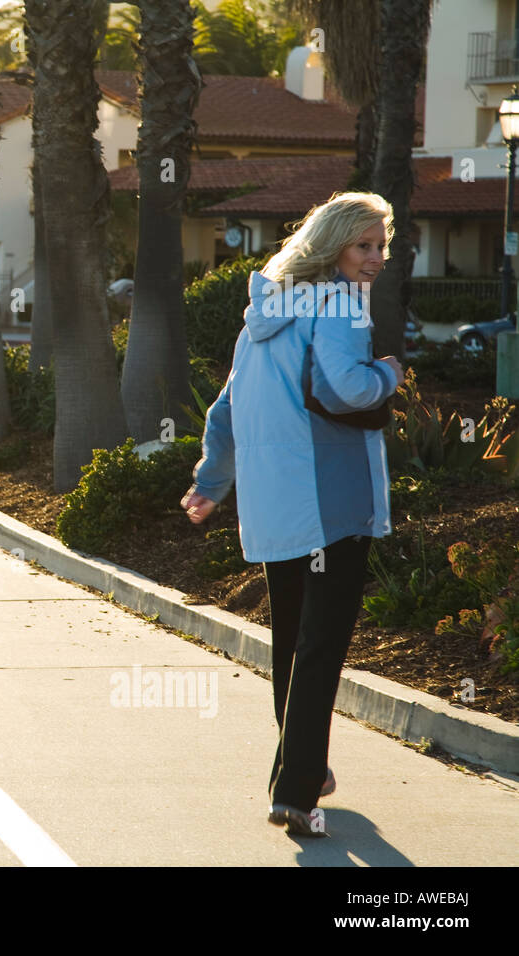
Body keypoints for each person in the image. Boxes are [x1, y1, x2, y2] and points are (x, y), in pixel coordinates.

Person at [180, 192, 405, 837]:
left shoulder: (265, 314)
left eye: (381, 246)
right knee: (322, 646)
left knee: (294, 641)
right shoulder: (340, 305)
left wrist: (213, 481)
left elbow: (224, 410)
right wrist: (387, 374)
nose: (375, 259)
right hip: (330, 501)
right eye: (364, 245)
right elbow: (346, 387)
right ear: (333, 245)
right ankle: (297, 789)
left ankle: (301, 767)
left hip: (273, 501)